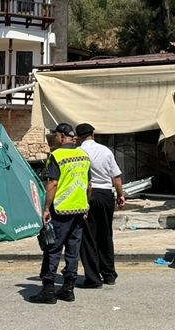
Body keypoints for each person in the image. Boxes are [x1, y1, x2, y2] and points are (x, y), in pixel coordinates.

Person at [29, 123, 92, 304]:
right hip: (79, 210)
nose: (54, 138)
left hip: (61, 209)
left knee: (53, 249)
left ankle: (48, 290)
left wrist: (46, 208)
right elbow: (89, 184)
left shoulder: (57, 155)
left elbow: (53, 183)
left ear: (62, 136)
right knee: (73, 250)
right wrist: (86, 205)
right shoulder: (84, 156)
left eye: (55, 135)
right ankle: (68, 289)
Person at [75, 123, 126, 289]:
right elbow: (116, 177)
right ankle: (109, 274)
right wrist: (120, 195)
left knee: (88, 237)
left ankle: (93, 278)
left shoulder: (78, 152)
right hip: (105, 195)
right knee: (105, 234)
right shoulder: (105, 151)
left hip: (87, 195)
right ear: (93, 135)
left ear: (78, 137)